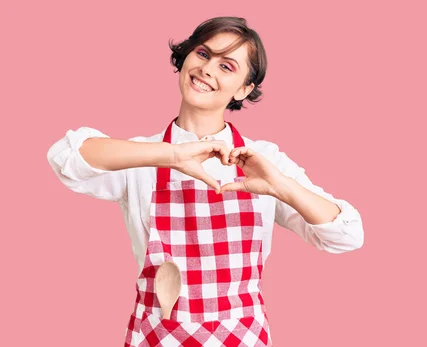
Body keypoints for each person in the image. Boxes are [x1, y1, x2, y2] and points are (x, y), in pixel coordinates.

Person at [46, 16, 364, 347]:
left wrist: (280, 186)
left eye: (227, 67)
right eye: (202, 54)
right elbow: (65, 157)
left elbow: (347, 235)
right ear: (184, 58)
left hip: (242, 338)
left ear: (244, 89)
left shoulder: (265, 160)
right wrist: (170, 155)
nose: (207, 69)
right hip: (158, 337)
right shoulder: (144, 155)